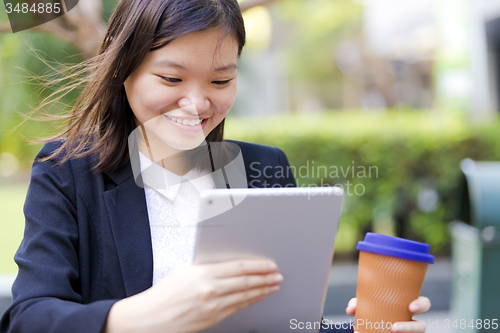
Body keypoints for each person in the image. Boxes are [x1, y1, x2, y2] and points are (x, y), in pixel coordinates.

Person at [0, 0, 431, 332]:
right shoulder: (68, 173)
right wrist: (151, 313)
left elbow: (290, 323)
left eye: (221, 80)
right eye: (171, 79)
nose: (198, 103)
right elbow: (29, 318)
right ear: (123, 70)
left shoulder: (267, 168)